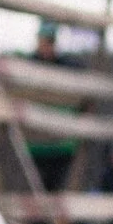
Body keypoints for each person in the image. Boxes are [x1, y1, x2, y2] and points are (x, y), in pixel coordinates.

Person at [23, 22, 83, 194]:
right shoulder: (31, 64)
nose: (45, 47)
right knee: (36, 190)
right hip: (36, 142)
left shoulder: (67, 65)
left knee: (56, 190)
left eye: (49, 42)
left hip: (61, 142)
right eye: (43, 41)